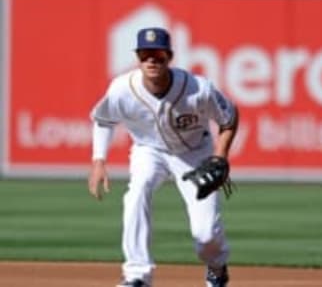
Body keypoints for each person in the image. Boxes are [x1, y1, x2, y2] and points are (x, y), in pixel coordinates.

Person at [88, 27, 238, 287]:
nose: (151, 60)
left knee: (205, 234)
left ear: (169, 56)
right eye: (145, 54)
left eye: (157, 53)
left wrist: (221, 156)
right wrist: (99, 161)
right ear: (138, 57)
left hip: (194, 153)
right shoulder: (122, 88)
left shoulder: (197, 88)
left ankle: (216, 266)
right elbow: (103, 120)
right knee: (137, 191)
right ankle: (137, 275)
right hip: (149, 150)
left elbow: (229, 118)